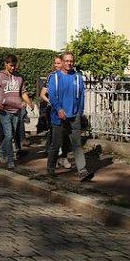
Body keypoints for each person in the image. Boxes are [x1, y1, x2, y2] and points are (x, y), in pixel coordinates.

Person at [46, 52, 93, 182]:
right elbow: (52, 95)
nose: (69, 63)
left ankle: (82, 171)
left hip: (74, 117)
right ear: (62, 62)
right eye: (66, 61)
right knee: (55, 144)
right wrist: (59, 109)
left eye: (71, 61)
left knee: (77, 144)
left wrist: (80, 111)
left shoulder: (78, 78)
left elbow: (81, 96)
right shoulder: (55, 78)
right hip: (58, 117)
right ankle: (50, 168)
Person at [0, 54, 34, 170]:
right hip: (4, 110)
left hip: (16, 110)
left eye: (15, 66)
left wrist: (29, 102)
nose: (13, 68)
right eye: (11, 66)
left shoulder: (19, 78)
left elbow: (23, 92)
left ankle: (1, 152)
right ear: (5, 64)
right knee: (9, 135)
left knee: (12, 134)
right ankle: (10, 160)